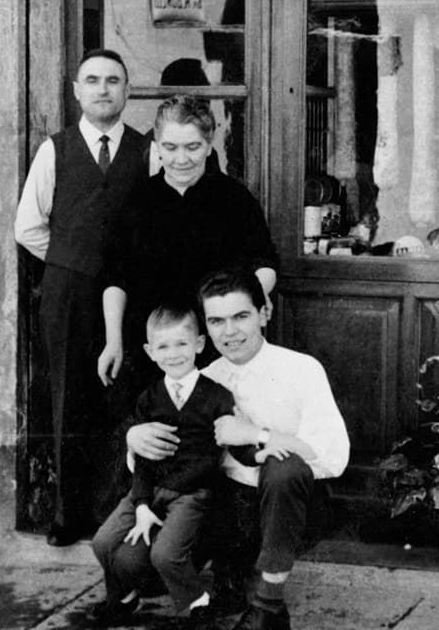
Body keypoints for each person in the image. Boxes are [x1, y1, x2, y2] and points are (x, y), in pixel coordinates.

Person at [127, 267, 350, 630]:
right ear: (205, 328)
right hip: (222, 509)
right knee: (138, 566)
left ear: (265, 313)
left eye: (241, 316)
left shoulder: (301, 369)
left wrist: (255, 433)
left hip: (287, 503)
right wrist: (133, 438)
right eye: (216, 321)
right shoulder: (204, 378)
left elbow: (331, 455)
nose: (229, 332)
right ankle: (228, 580)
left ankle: (268, 605)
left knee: (284, 466)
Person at [14, 48, 147, 546]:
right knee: (69, 398)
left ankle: (117, 511)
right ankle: (68, 516)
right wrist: (74, 259)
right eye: (92, 80)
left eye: (113, 80)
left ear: (127, 91)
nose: (102, 89)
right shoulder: (57, 149)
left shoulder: (147, 149)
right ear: (76, 90)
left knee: (124, 396)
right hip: (68, 293)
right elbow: (28, 227)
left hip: (130, 294)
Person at [90, 302, 260, 630]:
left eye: (181, 344)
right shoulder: (150, 398)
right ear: (150, 352)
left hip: (192, 493)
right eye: (163, 347)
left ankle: (199, 601)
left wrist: (257, 448)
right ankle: (122, 597)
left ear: (198, 344)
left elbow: (224, 450)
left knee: (165, 555)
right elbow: (143, 458)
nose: (173, 354)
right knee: (102, 542)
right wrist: (140, 503)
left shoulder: (217, 396)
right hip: (149, 489)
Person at [98, 94, 278, 393]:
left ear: (209, 146)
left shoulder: (234, 199)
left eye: (192, 147)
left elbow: (265, 263)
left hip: (218, 344)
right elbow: (114, 277)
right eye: (170, 147)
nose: (181, 158)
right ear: (156, 145)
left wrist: (255, 294)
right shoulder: (135, 201)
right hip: (154, 349)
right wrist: (113, 340)